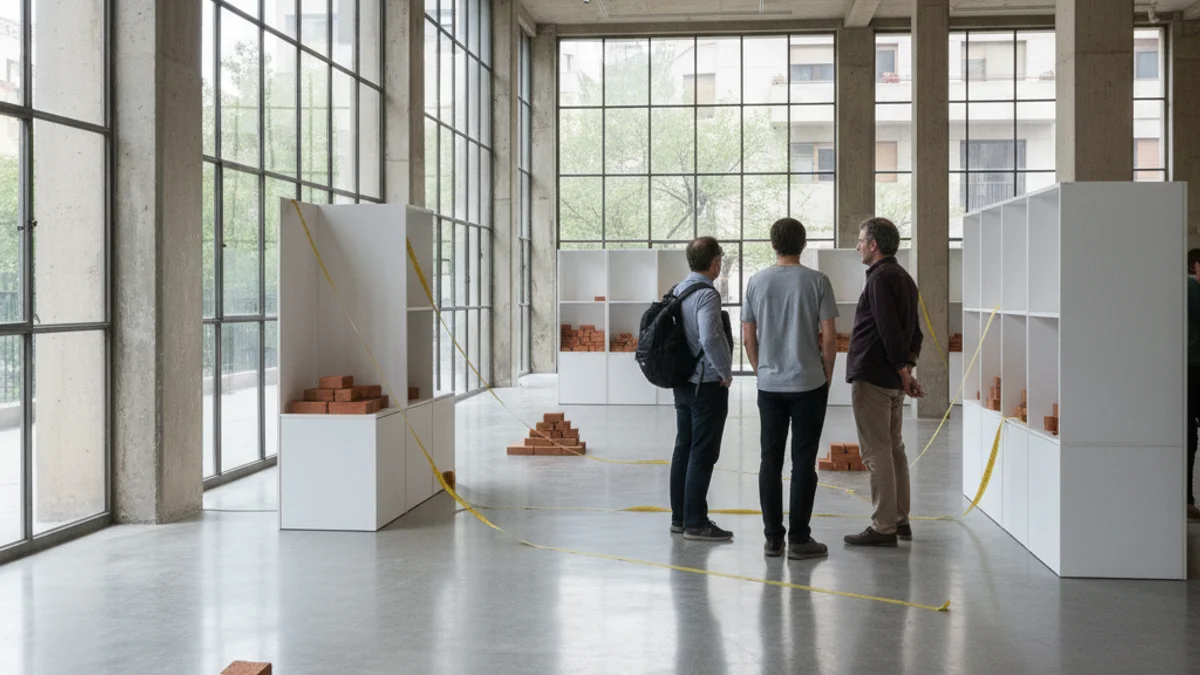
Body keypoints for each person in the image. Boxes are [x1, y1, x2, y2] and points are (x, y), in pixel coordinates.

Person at [742, 218, 838, 560]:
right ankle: (799, 539)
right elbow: (829, 337)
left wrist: (760, 371)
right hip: (809, 383)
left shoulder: (756, 282)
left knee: (769, 461)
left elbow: (748, 337)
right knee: (803, 462)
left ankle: (772, 539)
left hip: (770, 385)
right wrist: (826, 375)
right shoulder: (818, 281)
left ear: (773, 245)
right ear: (803, 244)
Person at [844, 217, 925, 547]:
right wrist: (906, 368)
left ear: (874, 244)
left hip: (874, 376)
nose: (858, 246)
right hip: (891, 377)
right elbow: (915, 333)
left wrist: (903, 371)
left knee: (877, 452)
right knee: (894, 449)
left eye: (861, 240)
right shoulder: (904, 277)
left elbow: (889, 329)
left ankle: (883, 526)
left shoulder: (879, 279)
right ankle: (900, 520)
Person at [670, 236, 735, 541]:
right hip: (705, 384)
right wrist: (725, 372)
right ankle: (696, 522)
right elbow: (710, 337)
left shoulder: (678, 289)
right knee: (703, 452)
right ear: (715, 262)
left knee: (683, 447)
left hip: (682, 381)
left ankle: (680, 518)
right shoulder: (707, 295)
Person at [1188, 248, 1200, 520]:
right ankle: (1186, 499)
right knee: (1188, 436)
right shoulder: (1190, 288)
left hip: (1191, 368)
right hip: (1192, 368)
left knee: (1188, 435)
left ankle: (1187, 499)